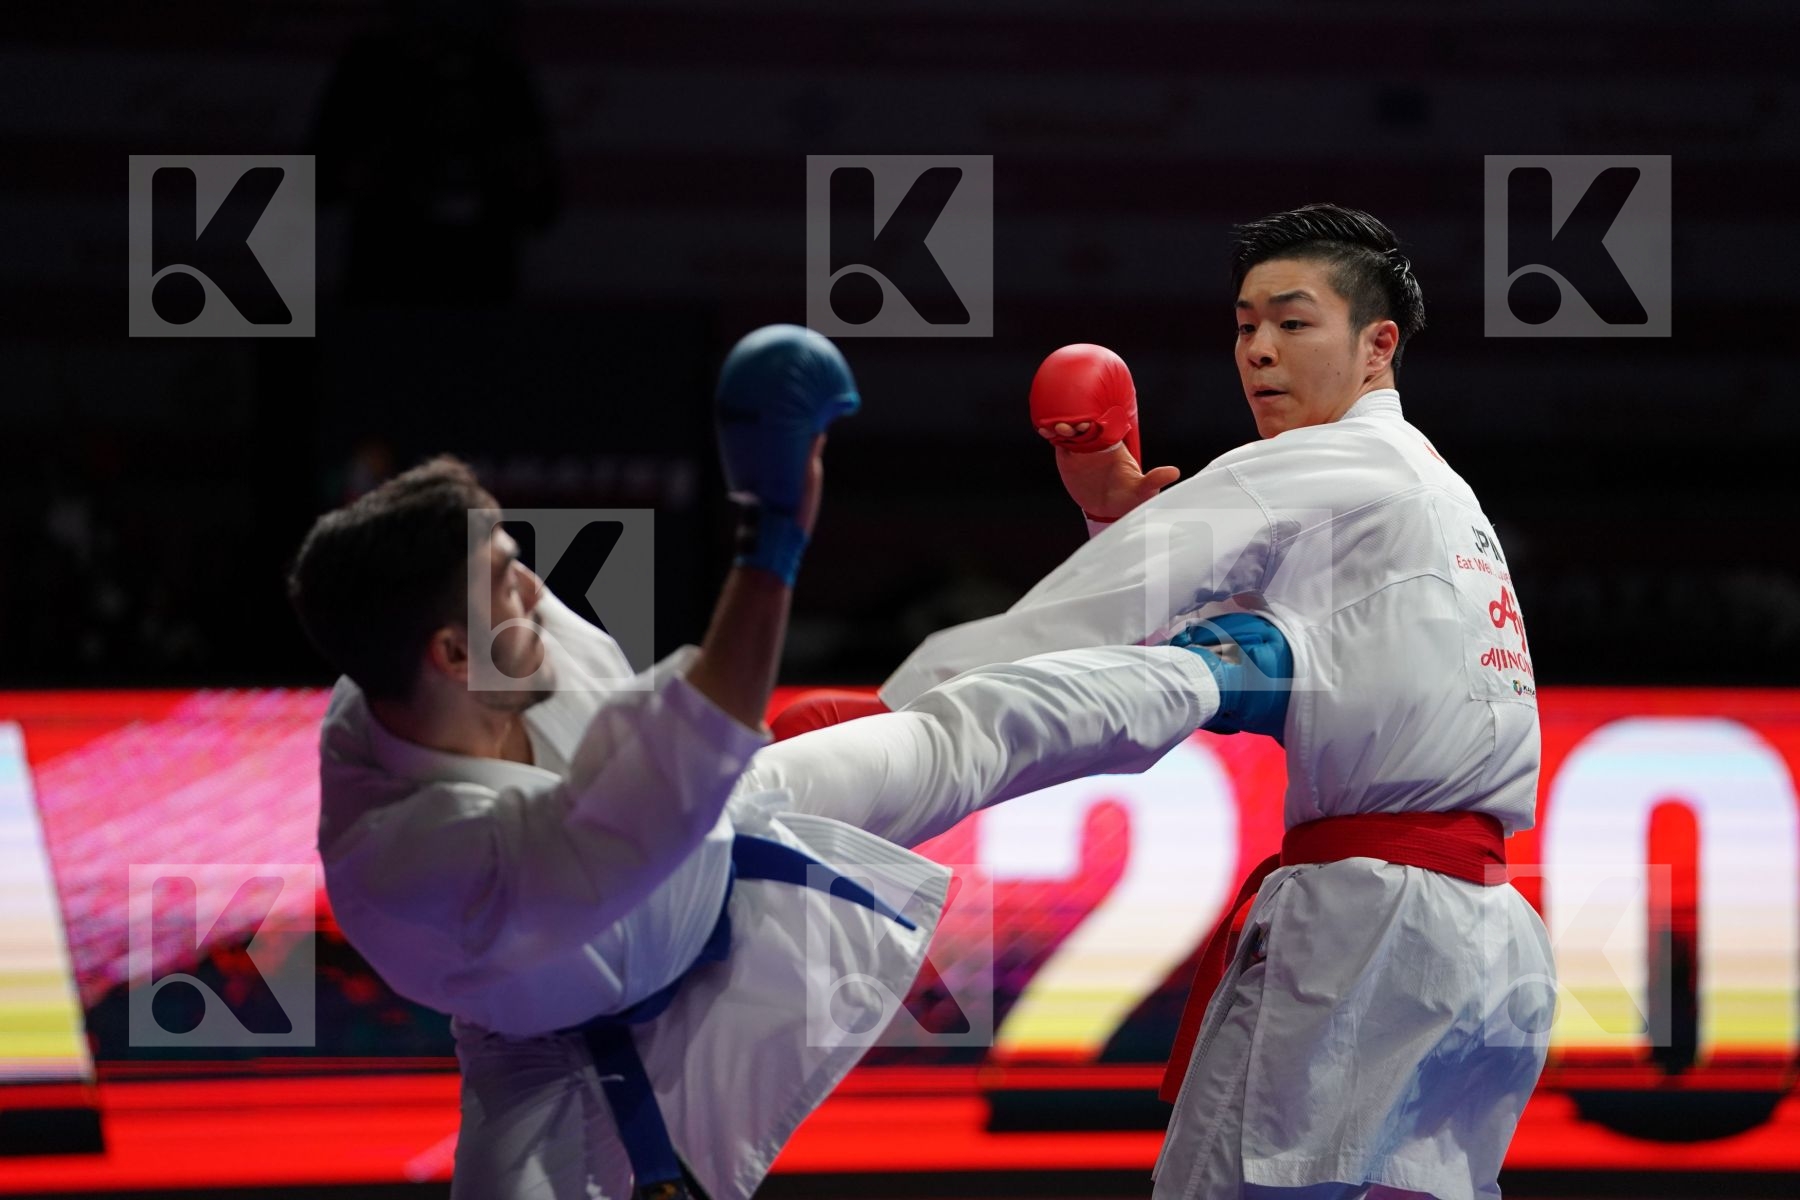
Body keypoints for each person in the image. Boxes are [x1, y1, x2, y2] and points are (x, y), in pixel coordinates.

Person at [288, 325, 1267, 1200]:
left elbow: (685, 751)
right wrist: (773, 532)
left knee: (965, 726)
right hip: (545, 1047)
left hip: (721, 827)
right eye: (506, 580)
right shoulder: (419, 861)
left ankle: (1215, 669)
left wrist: (737, 753)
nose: (536, 589)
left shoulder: (439, 644)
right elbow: (663, 774)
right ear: (451, 658)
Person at [882, 206, 1558, 1200]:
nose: (1259, 352)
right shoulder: (1432, 493)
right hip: (1487, 940)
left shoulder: (1330, 463)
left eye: (1293, 323)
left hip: (1367, 923)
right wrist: (1112, 507)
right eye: (1245, 326)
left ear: (1378, 347)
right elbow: (1246, 628)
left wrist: (887, 722)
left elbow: (1099, 613)